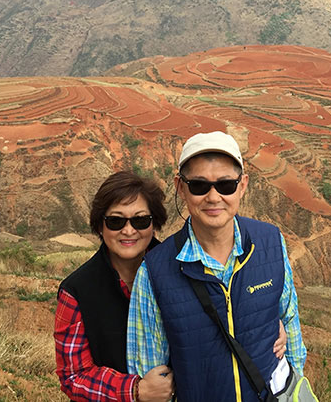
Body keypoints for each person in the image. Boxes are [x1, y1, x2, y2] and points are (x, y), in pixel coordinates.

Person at [127, 131, 307, 402]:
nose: (213, 197)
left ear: (242, 185)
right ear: (180, 186)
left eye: (225, 185)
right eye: (199, 186)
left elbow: (291, 328)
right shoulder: (154, 273)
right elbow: (151, 374)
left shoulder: (270, 243)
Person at [54, 171, 174, 401]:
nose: (128, 231)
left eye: (140, 220)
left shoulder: (178, 272)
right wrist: (136, 390)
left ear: (154, 223)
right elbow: (72, 376)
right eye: (116, 221)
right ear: (100, 226)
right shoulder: (77, 291)